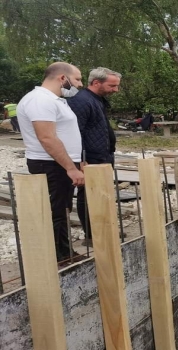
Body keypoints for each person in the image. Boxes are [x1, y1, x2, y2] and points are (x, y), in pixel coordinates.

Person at [16, 62, 84, 265]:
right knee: (56, 210)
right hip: (50, 164)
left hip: (59, 163)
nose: (80, 85)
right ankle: (58, 257)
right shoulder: (40, 100)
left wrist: (78, 161)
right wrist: (70, 168)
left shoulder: (54, 100)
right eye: (78, 79)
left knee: (62, 208)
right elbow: (47, 138)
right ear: (63, 78)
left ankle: (64, 252)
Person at [67, 67, 121, 246]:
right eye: (112, 86)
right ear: (96, 82)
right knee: (87, 196)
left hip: (103, 155)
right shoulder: (82, 101)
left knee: (103, 193)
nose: (116, 90)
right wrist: (81, 160)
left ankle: (104, 229)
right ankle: (91, 234)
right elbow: (76, 133)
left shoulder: (97, 100)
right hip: (91, 157)